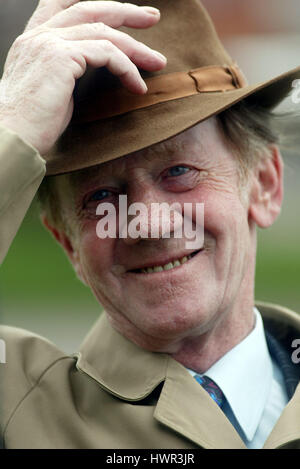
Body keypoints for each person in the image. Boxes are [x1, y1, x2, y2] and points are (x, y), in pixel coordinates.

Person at [0, 0, 300, 450]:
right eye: (101, 196)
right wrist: (13, 124)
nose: (148, 222)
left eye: (178, 172)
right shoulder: (18, 408)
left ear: (264, 183)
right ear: (67, 242)